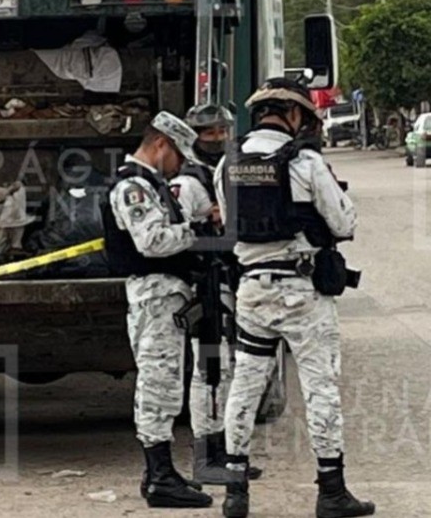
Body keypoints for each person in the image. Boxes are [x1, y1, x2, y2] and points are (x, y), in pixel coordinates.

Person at [216, 79, 374, 518]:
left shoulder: (226, 163)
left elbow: (228, 226)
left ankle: (235, 492)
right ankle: (331, 492)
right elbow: (342, 223)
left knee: (245, 385)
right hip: (302, 294)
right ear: (293, 113)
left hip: (251, 291)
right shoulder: (304, 160)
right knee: (320, 386)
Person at [101, 111, 211, 509]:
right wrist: (196, 232)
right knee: (158, 385)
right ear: (161, 144)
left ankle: (159, 474)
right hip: (154, 294)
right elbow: (152, 241)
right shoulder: (133, 186)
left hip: (165, 293)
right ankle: (160, 476)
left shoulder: (151, 184)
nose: (179, 165)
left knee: (164, 384)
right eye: (178, 156)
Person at [171, 105, 263, 485]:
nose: (217, 139)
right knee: (208, 372)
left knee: (224, 371)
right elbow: (174, 233)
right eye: (208, 133)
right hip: (203, 290)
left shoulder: (223, 171)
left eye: (221, 131)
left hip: (223, 282)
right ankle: (205, 456)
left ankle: (222, 450)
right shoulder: (189, 182)